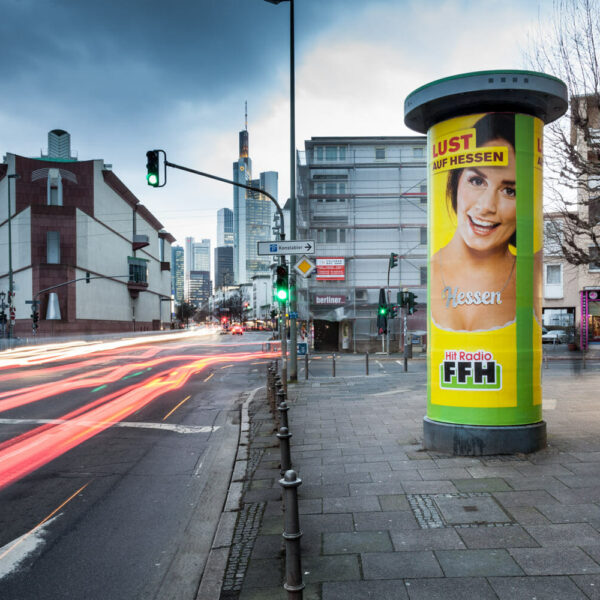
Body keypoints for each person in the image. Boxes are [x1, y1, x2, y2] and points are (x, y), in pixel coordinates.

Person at [430, 113, 517, 332]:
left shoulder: (530, 271)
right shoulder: (428, 270)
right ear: (456, 181)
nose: (487, 206)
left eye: (509, 191)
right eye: (477, 181)